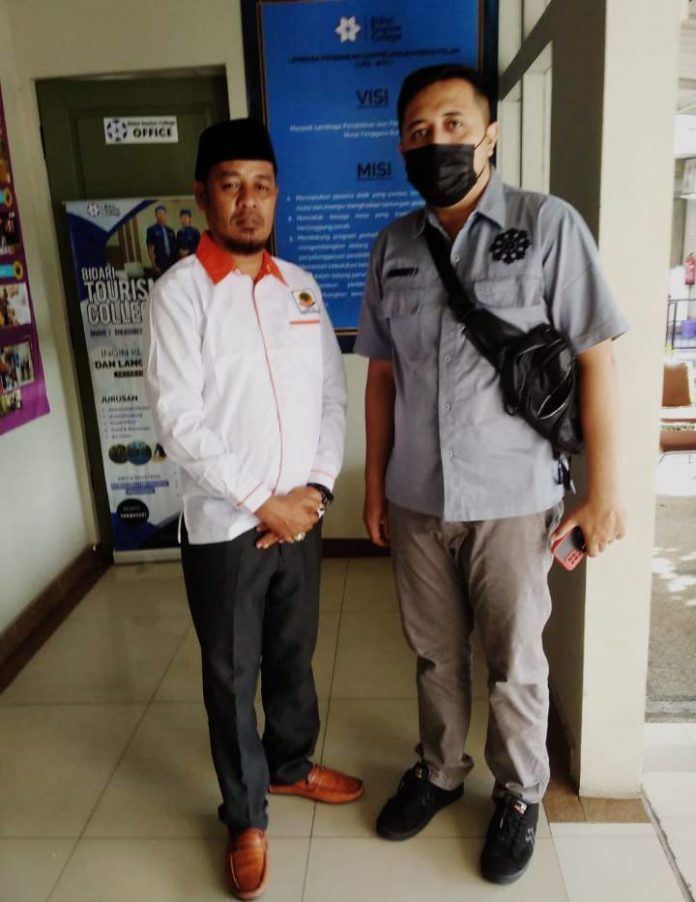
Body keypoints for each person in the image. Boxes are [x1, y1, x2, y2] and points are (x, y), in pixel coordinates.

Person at [355, 64, 628, 886]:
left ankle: (518, 795)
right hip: (415, 496)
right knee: (434, 654)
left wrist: (605, 490)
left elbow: (597, 358)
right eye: (417, 131)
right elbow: (381, 377)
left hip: (514, 500)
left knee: (516, 659)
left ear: (490, 135)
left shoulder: (547, 226)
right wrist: (374, 486)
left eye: (452, 124)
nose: (434, 141)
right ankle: (441, 771)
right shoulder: (392, 247)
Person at [144, 118, 362, 901]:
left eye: (262, 186)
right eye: (231, 185)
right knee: (233, 675)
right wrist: (262, 501)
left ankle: (292, 764)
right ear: (203, 195)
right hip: (228, 527)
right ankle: (244, 815)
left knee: (293, 654)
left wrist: (315, 491)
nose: (248, 201)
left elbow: (331, 395)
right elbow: (178, 419)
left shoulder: (300, 286)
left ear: (276, 194)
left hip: (301, 517)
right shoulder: (179, 294)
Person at [145, 204, 177, 277]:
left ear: (166, 215)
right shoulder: (151, 230)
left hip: (172, 262)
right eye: (159, 213)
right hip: (160, 263)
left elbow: (175, 247)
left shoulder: (170, 230)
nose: (161, 215)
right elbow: (150, 248)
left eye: (163, 213)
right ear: (156, 216)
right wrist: (154, 265)